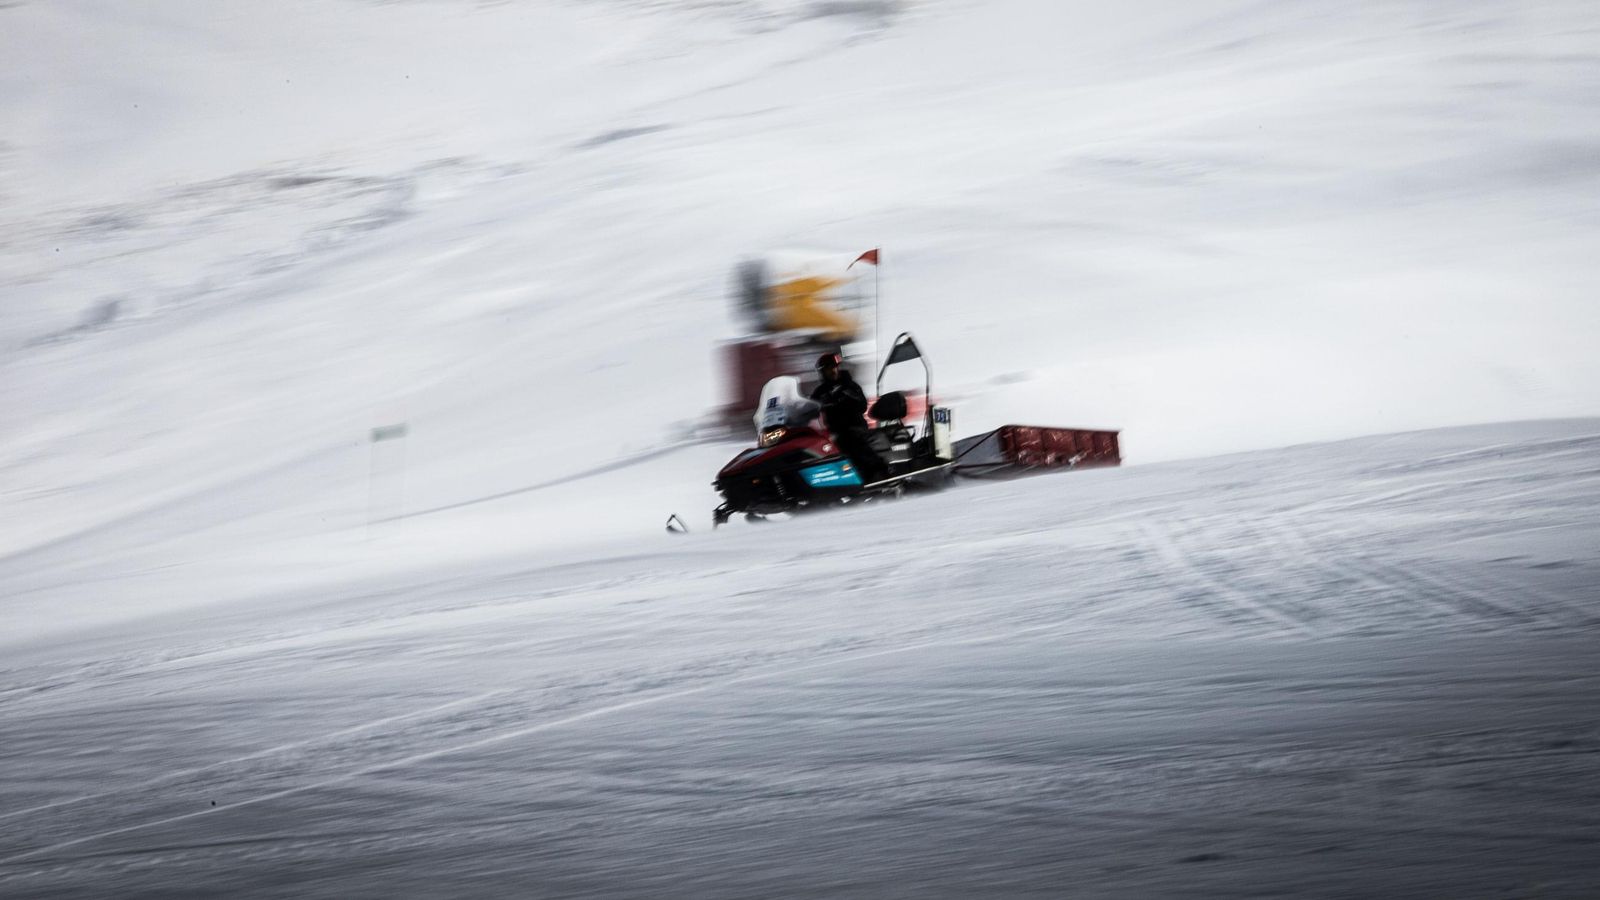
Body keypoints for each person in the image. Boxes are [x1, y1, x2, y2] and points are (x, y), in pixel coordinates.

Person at [809, 352, 887, 483]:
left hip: (854, 426)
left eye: (834, 367)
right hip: (833, 431)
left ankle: (879, 470)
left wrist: (844, 399)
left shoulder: (849, 385)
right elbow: (810, 408)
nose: (832, 371)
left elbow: (862, 405)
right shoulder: (820, 392)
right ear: (822, 372)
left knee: (850, 440)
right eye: (828, 368)